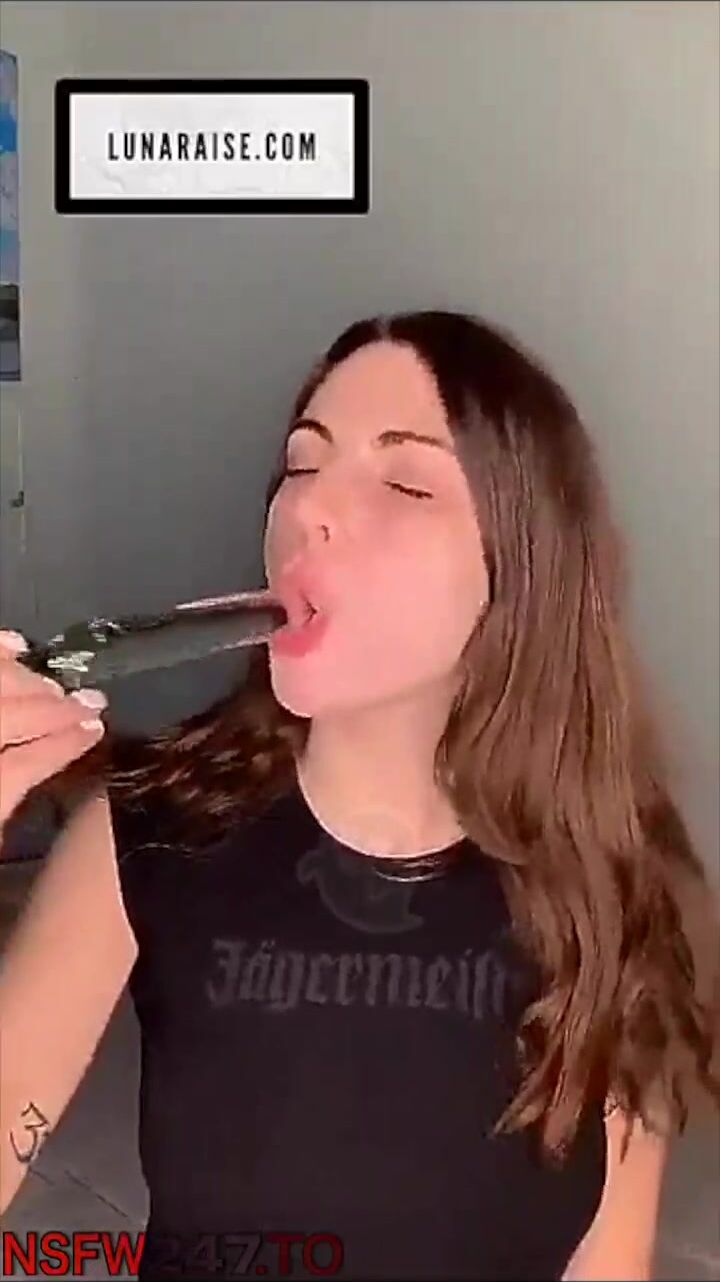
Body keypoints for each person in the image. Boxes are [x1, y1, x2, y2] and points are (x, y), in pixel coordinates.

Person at [0, 310, 717, 1281]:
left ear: (521, 569)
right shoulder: (145, 835)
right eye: (301, 465)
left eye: (406, 480)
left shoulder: (616, 873)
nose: (310, 510)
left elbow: (611, 1264)